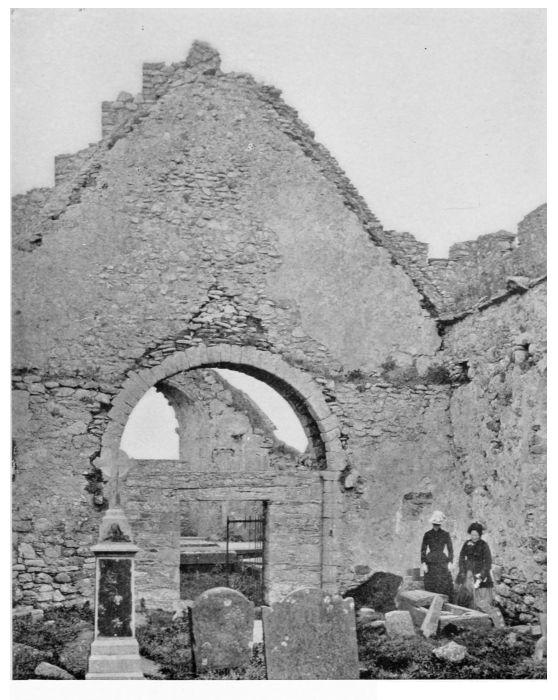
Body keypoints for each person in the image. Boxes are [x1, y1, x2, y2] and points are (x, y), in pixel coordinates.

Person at [455, 522, 493, 609]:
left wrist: (482, 575)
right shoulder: (467, 543)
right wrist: (462, 569)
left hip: (479, 570)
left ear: (479, 535)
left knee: (479, 594)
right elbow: (461, 557)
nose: (474, 537)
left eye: (476, 535)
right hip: (467, 570)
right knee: (463, 592)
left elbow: (488, 561)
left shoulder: (484, 545)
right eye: (472, 535)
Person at [420, 511, 454, 599]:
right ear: (432, 524)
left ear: (440, 524)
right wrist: (423, 563)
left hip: (442, 561)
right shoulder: (427, 534)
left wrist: (450, 561)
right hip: (430, 561)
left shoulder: (445, 534)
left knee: (443, 583)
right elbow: (423, 549)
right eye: (435, 524)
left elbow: (450, 549)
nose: (436, 526)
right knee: (431, 582)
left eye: (438, 524)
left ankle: (444, 602)